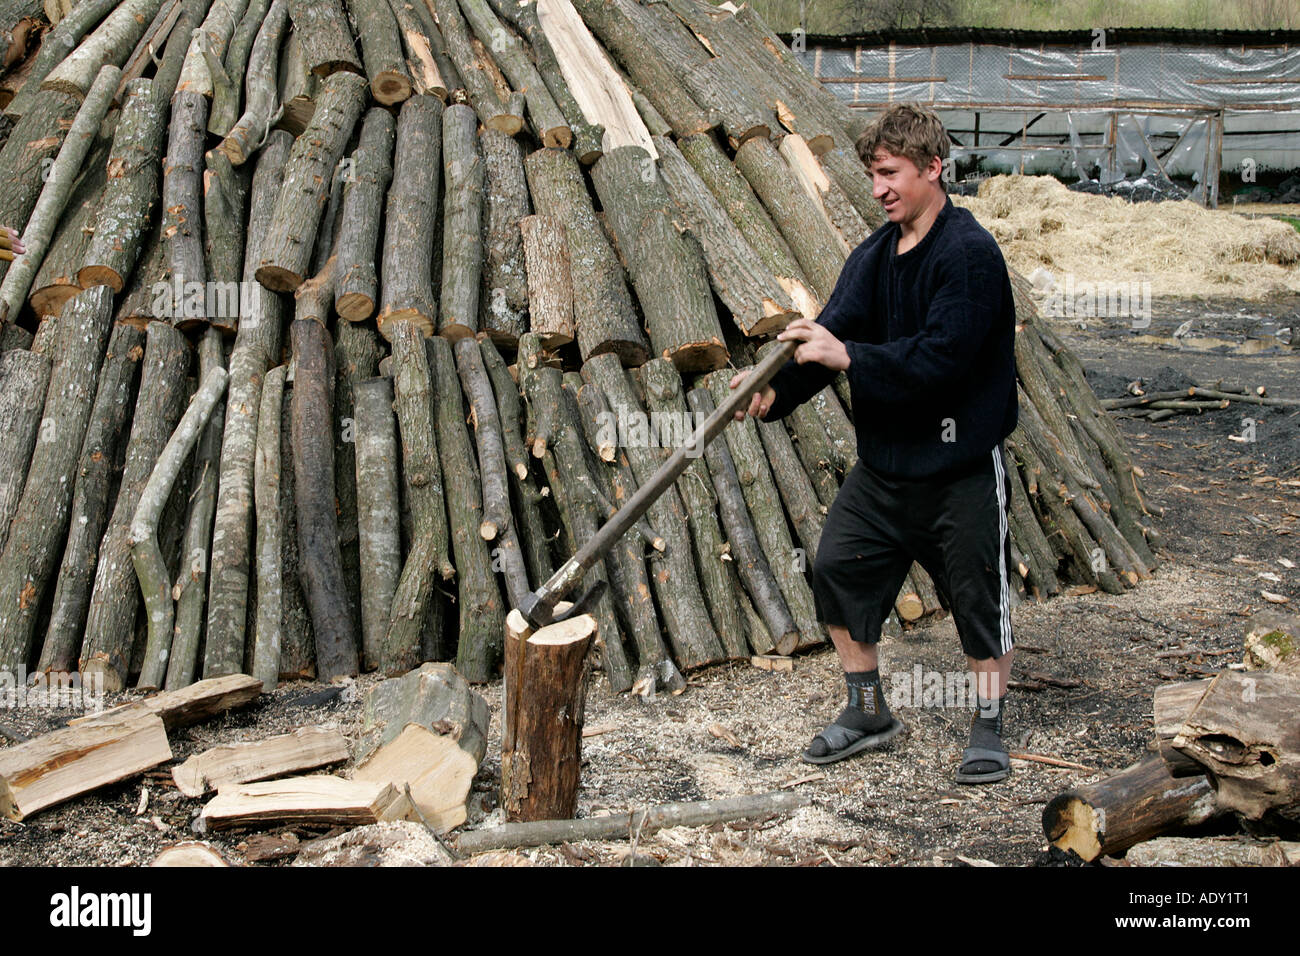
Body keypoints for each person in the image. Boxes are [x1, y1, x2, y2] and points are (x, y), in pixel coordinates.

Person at [730, 103, 1019, 784]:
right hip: (886, 467)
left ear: (932, 169)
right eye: (872, 176)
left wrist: (848, 356)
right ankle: (867, 712)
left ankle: (989, 723)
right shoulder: (875, 254)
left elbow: (940, 360)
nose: (880, 188)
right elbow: (829, 334)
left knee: (979, 596)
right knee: (837, 568)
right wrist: (778, 391)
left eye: (890, 174)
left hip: (959, 464)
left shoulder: (969, 256)